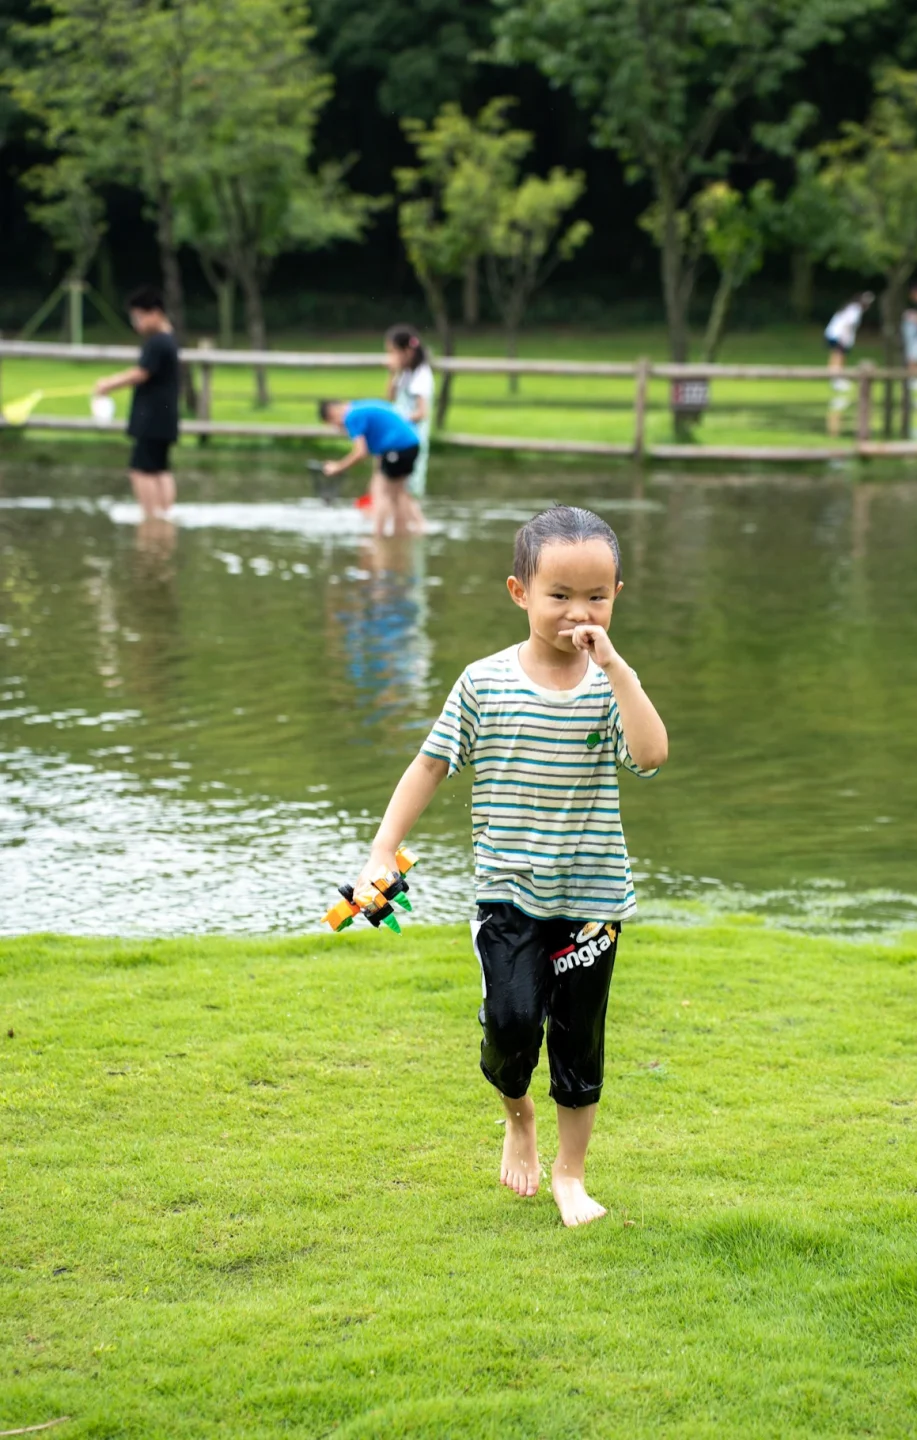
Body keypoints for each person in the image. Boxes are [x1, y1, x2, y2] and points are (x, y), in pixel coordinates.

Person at [353, 505, 668, 1227]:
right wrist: (380, 850)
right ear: (520, 592)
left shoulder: (611, 686)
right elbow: (430, 766)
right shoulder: (483, 683)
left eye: (596, 596)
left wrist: (616, 666)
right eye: (559, 595)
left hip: (592, 901)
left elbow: (650, 757)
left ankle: (570, 1173)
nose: (577, 612)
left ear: (618, 592)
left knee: (578, 1044)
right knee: (511, 1026)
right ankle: (517, 1117)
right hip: (508, 895)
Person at [94, 285, 180, 521]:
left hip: (151, 417)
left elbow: (141, 373)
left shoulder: (157, 342)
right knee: (160, 469)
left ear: (155, 313)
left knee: (141, 470)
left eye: (139, 317)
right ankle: (165, 516)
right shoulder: (170, 340)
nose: (136, 324)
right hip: (165, 416)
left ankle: (151, 519)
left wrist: (108, 384)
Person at [318, 399, 420, 538]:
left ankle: (378, 536)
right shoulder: (359, 407)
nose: (338, 427)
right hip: (410, 444)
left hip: (398, 447)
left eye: (333, 423)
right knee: (398, 493)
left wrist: (338, 467)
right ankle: (412, 530)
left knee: (381, 493)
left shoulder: (351, 417)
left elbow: (360, 452)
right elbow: (380, 437)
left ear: (332, 411)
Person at [386, 325, 434, 534]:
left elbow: (422, 412)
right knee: (397, 488)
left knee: (406, 489)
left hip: (412, 438)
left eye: (393, 352)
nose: (391, 357)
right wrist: (393, 373)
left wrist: (398, 420)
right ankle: (403, 529)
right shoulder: (404, 374)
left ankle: (419, 528)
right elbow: (390, 397)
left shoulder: (422, 375)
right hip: (398, 437)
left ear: (407, 351)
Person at [824, 291, 876, 379]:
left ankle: (833, 376)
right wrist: (844, 339)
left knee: (836, 354)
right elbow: (847, 325)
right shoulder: (855, 310)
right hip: (839, 335)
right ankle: (836, 377)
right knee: (839, 356)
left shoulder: (851, 307)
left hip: (833, 333)